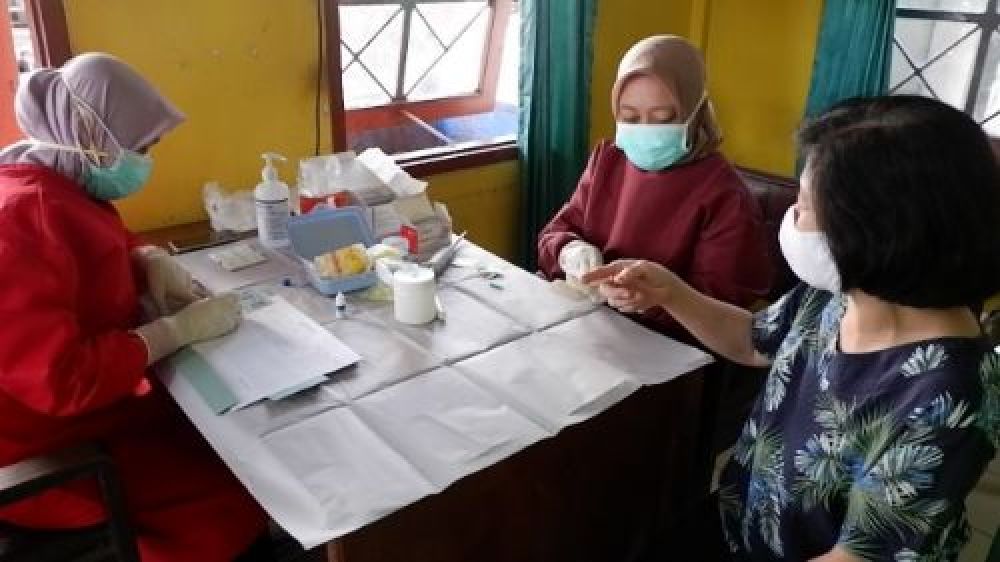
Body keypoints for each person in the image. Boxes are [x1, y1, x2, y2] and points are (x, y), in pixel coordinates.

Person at [584, 96, 1000, 561]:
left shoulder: (948, 396)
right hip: (741, 522)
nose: (791, 222)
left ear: (875, 233)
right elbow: (754, 340)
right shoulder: (841, 289)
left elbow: (857, 557)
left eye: (803, 208)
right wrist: (669, 292)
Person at [0, 53, 268, 561]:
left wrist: (145, 257)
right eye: (141, 147)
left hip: (103, 411)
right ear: (88, 136)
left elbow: (98, 234)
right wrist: (171, 333)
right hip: (50, 451)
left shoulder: (56, 179)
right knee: (231, 496)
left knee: (235, 439)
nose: (147, 158)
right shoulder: (16, 224)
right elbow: (62, 380)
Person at [537, 35, 770, 341]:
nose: (644, 130)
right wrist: (570, 251)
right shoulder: (609, 160)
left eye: (662, 119)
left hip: (662, 346)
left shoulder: (724, 195)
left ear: (694, 113)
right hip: (589, 324)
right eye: (630, 117)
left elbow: (720, 309)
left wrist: (655, 298)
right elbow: (553, 234)